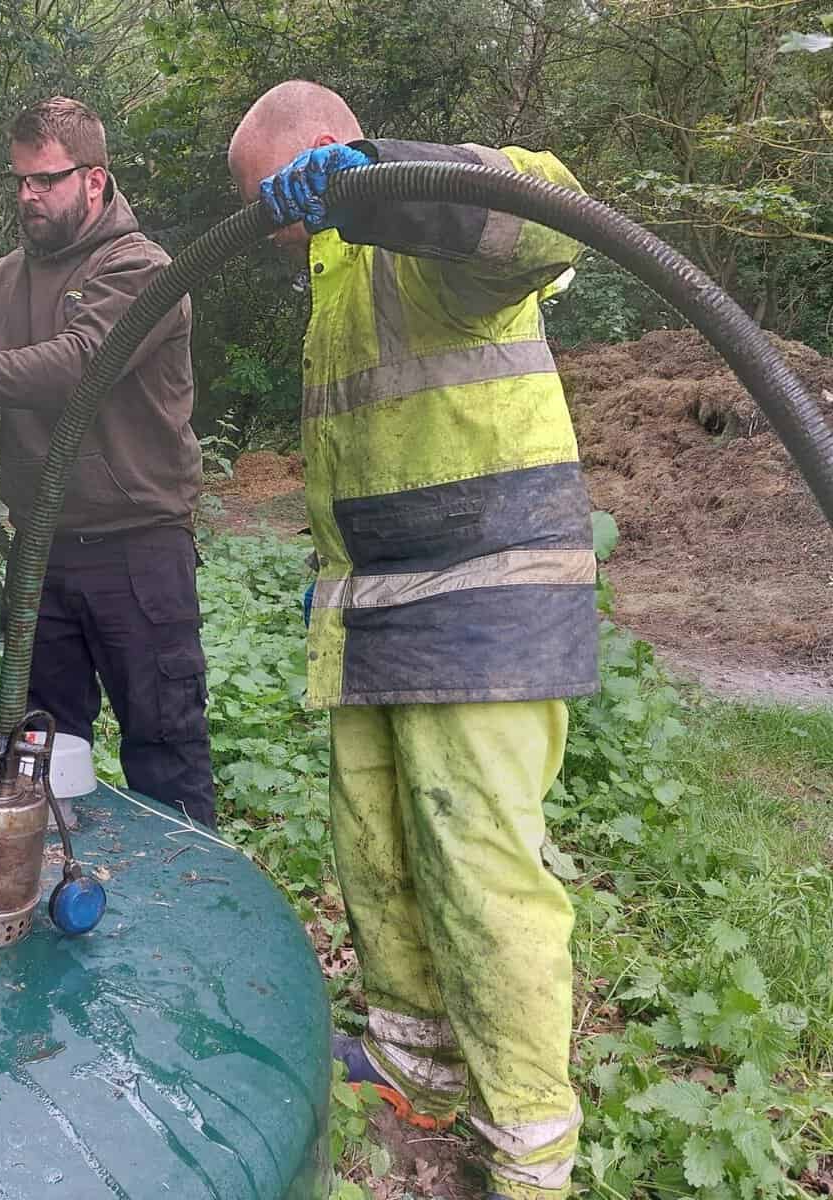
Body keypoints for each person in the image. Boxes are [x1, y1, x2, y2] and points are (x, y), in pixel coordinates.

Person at [228, 81, 600, 1200]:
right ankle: (414, 1068)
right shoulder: (333, 277)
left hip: (484, 604)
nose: (272, 230)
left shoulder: (419, 242)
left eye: (274, 201)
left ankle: (531, 1152)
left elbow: (546, 212)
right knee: (377, 849)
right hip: (376, 607)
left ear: (324, 157)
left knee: (479, 874)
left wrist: (390, 171)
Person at [0, 97, 216, 829]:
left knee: (164, 746)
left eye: (46, 179)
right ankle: (54, 885)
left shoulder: (142, 267)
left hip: (138, 549)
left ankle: (193, 897)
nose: (28, 195)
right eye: (20, 180)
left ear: (94, 180)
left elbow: (83, 362)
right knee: (42, 750)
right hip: (42, 554)